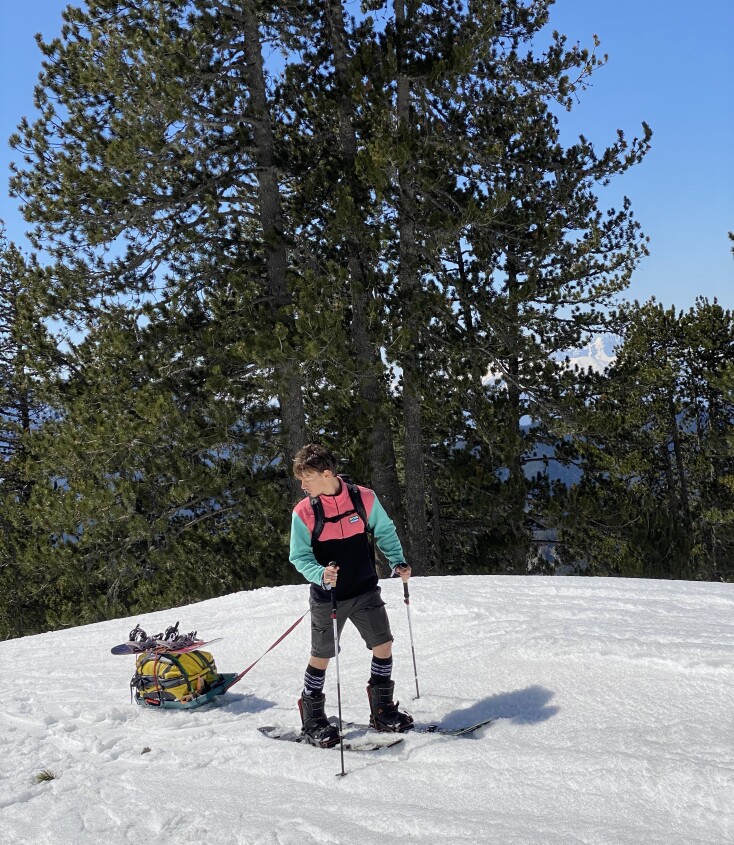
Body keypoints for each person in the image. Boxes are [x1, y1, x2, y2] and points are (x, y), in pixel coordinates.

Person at [289, 443, 414, 747]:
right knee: (322, 656)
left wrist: (397, 561)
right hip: (329, 597)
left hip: (365, 589)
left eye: (307, 478)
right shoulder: (304, 512)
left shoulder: (363, 498)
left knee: (383, 645)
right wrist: (321, 573)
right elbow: (299, 556)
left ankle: (382, 710)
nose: (303, 485)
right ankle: (313, 719)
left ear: (327, 473)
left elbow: (384, 531)